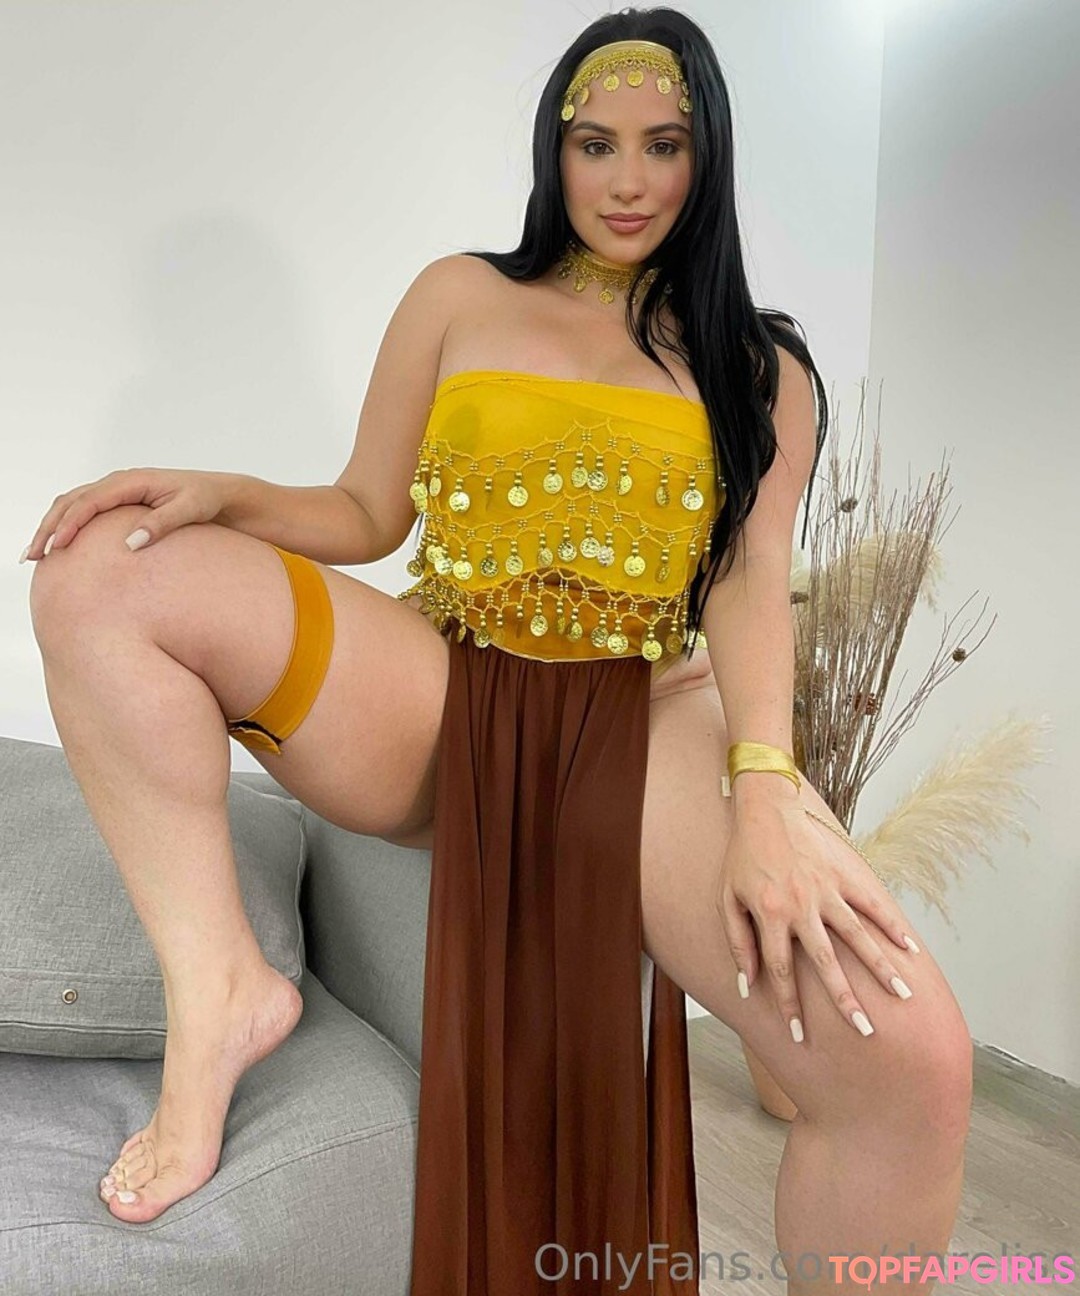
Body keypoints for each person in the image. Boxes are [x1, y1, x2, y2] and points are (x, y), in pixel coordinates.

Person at [22, 7, 973, 1293]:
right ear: (554, 152)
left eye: (664, 144)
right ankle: (221, 993)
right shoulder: (459, 294)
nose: (627, 180)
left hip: (652, 709)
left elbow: (750, 588)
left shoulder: (763, 367)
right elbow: (368, 510)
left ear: (708, 155)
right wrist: (225, 493)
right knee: (99, 567)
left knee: (915, 1065)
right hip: (444, 688)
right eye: (595, 145)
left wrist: (764, 788)